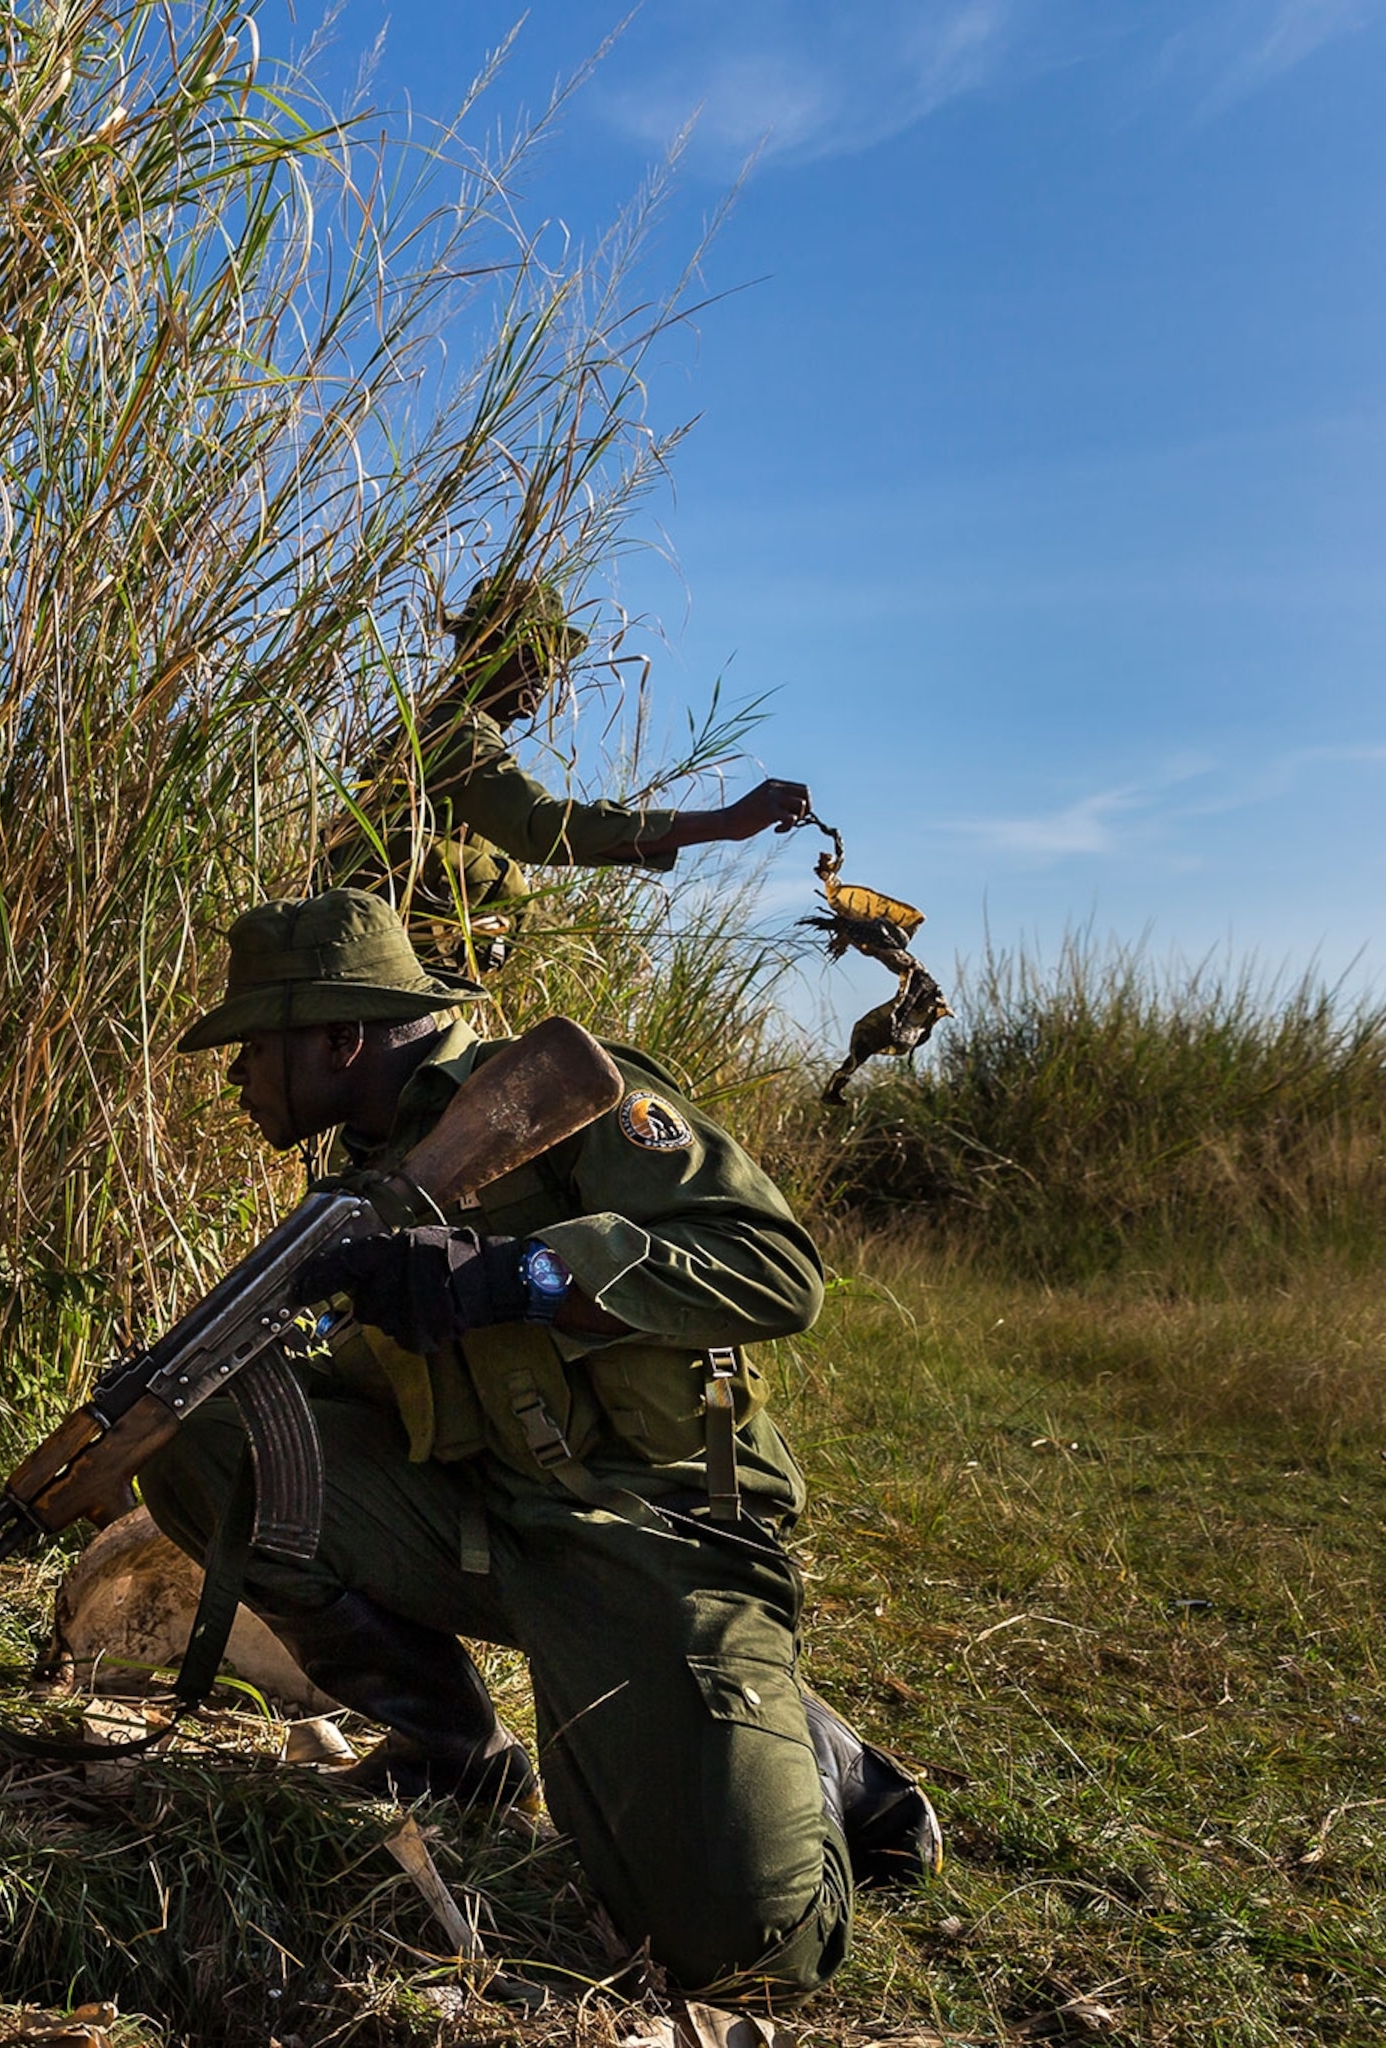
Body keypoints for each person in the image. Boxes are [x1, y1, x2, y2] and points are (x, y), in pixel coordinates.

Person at [138, 886, 938, 1995]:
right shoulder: (361, 1183)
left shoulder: (552, 1102)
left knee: (744, 1948)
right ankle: (456, 1757)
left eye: (251, 1046)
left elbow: (777, 1268)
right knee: (201, 1436)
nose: (233, 1076)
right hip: (486, 1516)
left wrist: (518, 1274)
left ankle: (816, 1754)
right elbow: (385, 1388)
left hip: (653, 1525)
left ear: (337, 1035)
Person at [341, 578, 812, 970]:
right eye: (532, 652)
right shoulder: (455, 733)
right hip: (376, 965)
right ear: (484, 650)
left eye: (554, 660)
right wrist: (723, 824)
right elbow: (546, 829)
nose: (547, 673)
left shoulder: (441, 724)